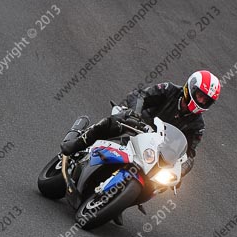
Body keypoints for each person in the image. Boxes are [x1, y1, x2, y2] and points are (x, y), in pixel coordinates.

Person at [61, 70, 221, 185]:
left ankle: (118, 201)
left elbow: (189, 154)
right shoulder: (170, 90)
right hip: (136, 126)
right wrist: (136, 114)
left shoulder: (198, 126)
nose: (201, 101)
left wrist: (181, 172)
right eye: (200, 95)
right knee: (113, 122)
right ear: (190, 88)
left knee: (158, 184)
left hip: (155, 151)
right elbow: (141, 95)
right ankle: (77, 143)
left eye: (206, 100)